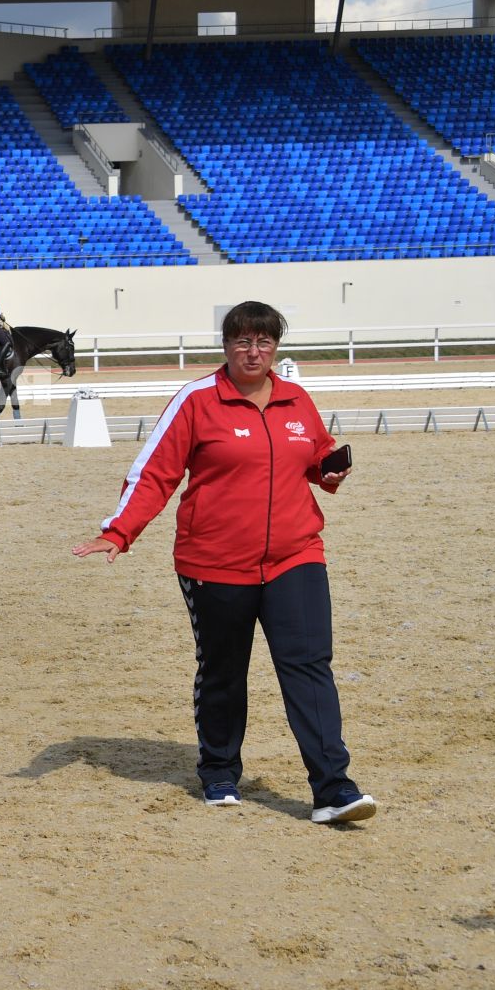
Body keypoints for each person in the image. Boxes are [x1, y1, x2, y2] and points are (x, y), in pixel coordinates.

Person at [71, 301, 377, 825]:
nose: (252, 351)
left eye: (263, 342)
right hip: (213, 562)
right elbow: (154, 474)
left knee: (308, 666)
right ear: (226, 345)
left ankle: (334, 789)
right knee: (224, 671)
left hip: (296, 554)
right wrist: (119, 531)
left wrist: (328, 471)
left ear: (276, 346)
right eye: (242, 341)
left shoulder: (296, 399)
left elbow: (314, 455)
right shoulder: (196, 401)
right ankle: (218, 770)